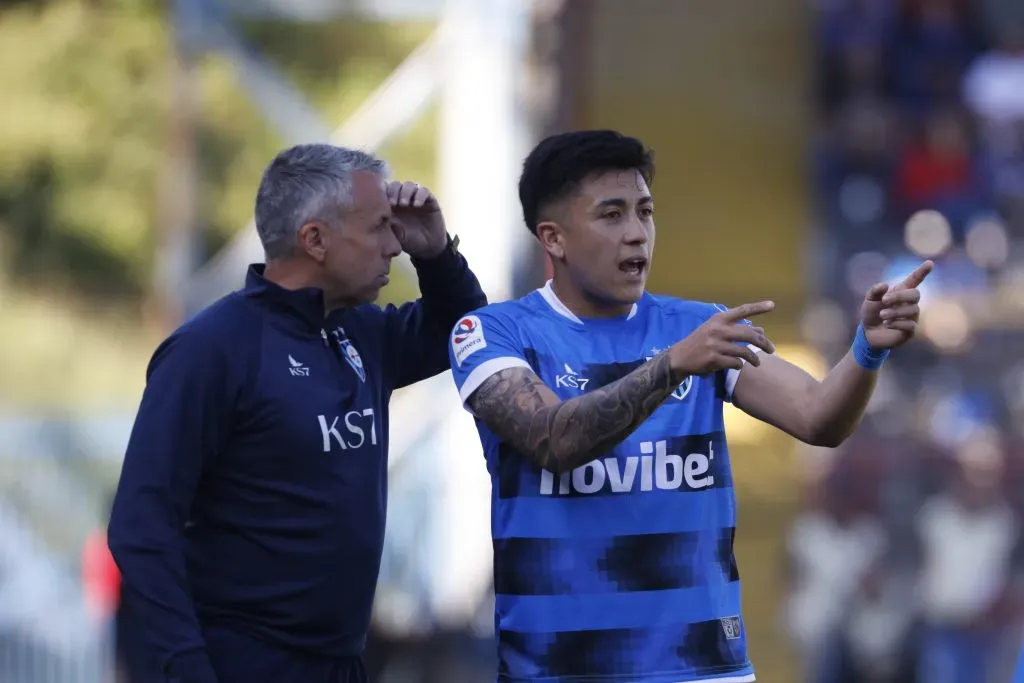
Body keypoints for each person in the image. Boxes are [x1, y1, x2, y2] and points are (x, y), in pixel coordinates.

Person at [446, 130, 931, 683]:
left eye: (644, 212)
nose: (636, 234)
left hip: (703, 669)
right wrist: (671, 366)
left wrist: (866, 349)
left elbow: (818, 417)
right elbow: (554, 440)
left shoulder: (698, 328)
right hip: (558, 671)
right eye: (611, 215)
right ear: (553, 238)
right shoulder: (493, 333)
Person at [107, 143, 487, 683]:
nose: (393, 247)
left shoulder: (360, 332)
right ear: (315, 240)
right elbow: (141, 527)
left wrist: (437, 255)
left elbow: (467, 332)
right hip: (241, 665)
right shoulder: (212, 349)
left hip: (343, 664)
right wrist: (185, 666)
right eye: (379, 227)